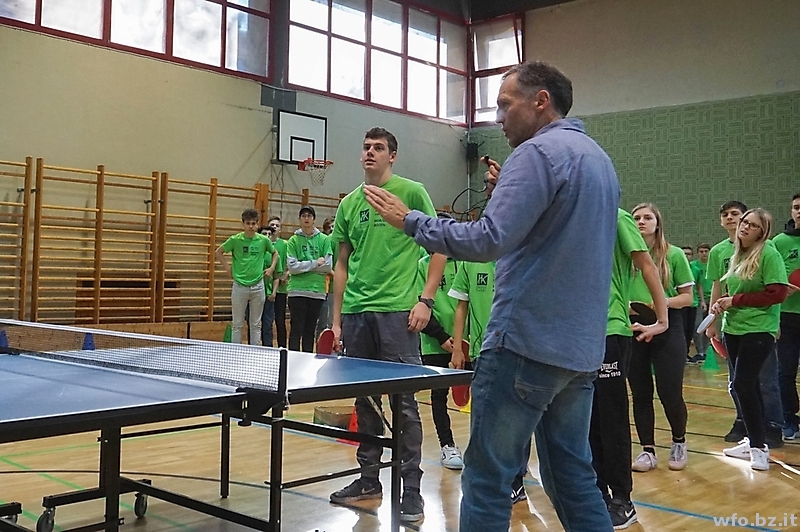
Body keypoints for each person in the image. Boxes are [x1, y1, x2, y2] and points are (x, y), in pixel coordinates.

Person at [364, 61, 619, 531]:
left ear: (540, 101)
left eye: (505, 104)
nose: (498, 117)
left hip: (525, 344)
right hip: (580, 352)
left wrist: (410, 221)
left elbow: (487, 239)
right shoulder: (598, 159)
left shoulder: (536, 153)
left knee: (486, 478)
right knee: (573, 477)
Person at [327, 127, 442, 523]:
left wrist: (426, 300)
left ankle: (411, 491)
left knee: (404, 404)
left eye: (378, 148)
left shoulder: (412, 192)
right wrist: (337, 321)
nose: (370, 152)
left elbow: (439, 246)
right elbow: (341, 265)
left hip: (398, 314)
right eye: (366, 147)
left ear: (392, 156)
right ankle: (368, 480)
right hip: (357, 314)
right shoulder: (349, 204)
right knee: (366, 401)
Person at [590, 208, 668, 529]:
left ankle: (622, 497)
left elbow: (646, 265)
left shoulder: (616, 217)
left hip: (610, 330)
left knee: (611, 418)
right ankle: (596, 492)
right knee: (586, 419)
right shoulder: (565, 215)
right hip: (574, 334)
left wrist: (662, 319)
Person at [706, 201, 784, 447]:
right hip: (733, 327)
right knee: (741, 384)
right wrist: (717, 311)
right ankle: (753, 438)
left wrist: (735, 301)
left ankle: (768, 434)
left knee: (751, 382)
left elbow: (777, 293)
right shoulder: (730, 254)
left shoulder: (769, 253)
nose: (744, 226)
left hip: (759, 328)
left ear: (762, 231)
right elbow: (723, 288)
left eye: (752, 224)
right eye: (744, 222)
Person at [627, 203, 694, 473]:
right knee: (640, 393)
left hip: (668, 327)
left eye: (647, 217)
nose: (641, 222)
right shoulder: (625, 257)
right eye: (636, 218)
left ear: (658, 223)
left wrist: (660, 302)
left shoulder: (673, 255)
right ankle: (647, 450)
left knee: (670, 392)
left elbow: (687, 298)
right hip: (633, 328)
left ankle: (679, 441)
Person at [215, 208, 277, 345]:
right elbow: (218, 252)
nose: (251, 226)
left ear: (257, 224)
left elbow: (275, 253)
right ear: (243, 224)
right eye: (248, 223)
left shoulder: (263, 240)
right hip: (239, 286)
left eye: (254, 223)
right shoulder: (235, 240)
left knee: (256, 324)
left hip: (258, 286)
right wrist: (227, 268)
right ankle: (236, 352)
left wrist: (271, 268)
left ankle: (254, 351)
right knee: (237, 323)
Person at [286, 206, 332, 352]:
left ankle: (307, 359)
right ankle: (292, 360)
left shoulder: (324, 240)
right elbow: (292, 267)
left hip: (317, 291)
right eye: (303, 216)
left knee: (310, 330)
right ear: (299, 219)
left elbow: (327, 266)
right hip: (297, 291)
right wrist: (315, 263)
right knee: (296, 329)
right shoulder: (293, 240)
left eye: (309, 216)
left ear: (314, 219)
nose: (306, 218)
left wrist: (303, 266)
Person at [773, 193, 800, 439]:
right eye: (796, 207)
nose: (799, 211)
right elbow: (771, 275)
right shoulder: (779, 242)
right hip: (787, 317)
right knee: (786, 371)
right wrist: (782, 287)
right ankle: (789, 418)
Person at [688, 242, 713, 365]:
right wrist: (701, 300)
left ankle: (705, 352)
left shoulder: (713, 265)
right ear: (697, 253)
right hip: (697, 300)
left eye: (706, 251)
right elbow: (698, 285)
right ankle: (700, 352)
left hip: (712, 299)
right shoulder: (693, 266)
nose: (704, 254)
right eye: (701, 251)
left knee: (709, 326)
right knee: (698, 326)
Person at [267, 216, 289, 348]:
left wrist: (286, 274)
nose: (274, 227)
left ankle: (282, 347)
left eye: (277, 225)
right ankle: (266, 346)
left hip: (281, 289)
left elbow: (290, 261)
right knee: (266, 321)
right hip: (266, 289)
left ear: (280, 229)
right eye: (272, 225)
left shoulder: (285, 244)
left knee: (280, 320)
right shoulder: (264, 243)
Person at [258, 225, 282, 347]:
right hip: (254, 294)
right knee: (254, 324)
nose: (267, 236)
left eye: (269, 234)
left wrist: (273, 293)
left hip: (268, 295)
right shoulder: (255, 253)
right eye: (264, 234)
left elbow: (277, 276)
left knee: (267, 325)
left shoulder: (275, 255)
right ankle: (253, 348)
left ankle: (268, 349)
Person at [315, 216, 336, 340]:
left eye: (334, 226)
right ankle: (321, 346)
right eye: (330, 227)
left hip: (340, 286)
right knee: (325, 321)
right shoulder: (325, 241)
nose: (332, 229)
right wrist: (336, 275)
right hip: (325, 286)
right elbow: (324, 265)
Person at [681, 245, 700, 361]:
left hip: (693, 303)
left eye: (688, 254)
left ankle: (686, 353)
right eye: (684, 253)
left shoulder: (696, 270)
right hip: (680, 304)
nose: (686, 256)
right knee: (681, 329)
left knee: (690, 329)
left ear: (692, 256)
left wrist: (702, 301)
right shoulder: (676, 266)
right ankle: (681, 354)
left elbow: (699, 286)